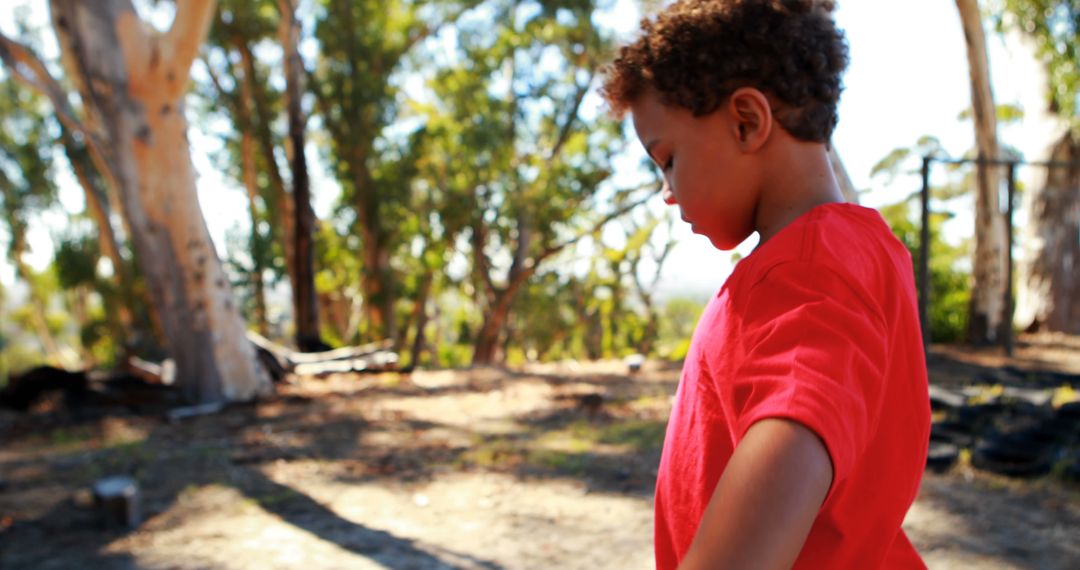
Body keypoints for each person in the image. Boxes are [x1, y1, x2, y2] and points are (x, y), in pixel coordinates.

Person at [600, 1, 931, 568]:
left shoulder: (814, 270)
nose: (667, 192)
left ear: (747, 122)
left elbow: (793, 442)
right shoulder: (848, 253)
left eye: (669, 158)